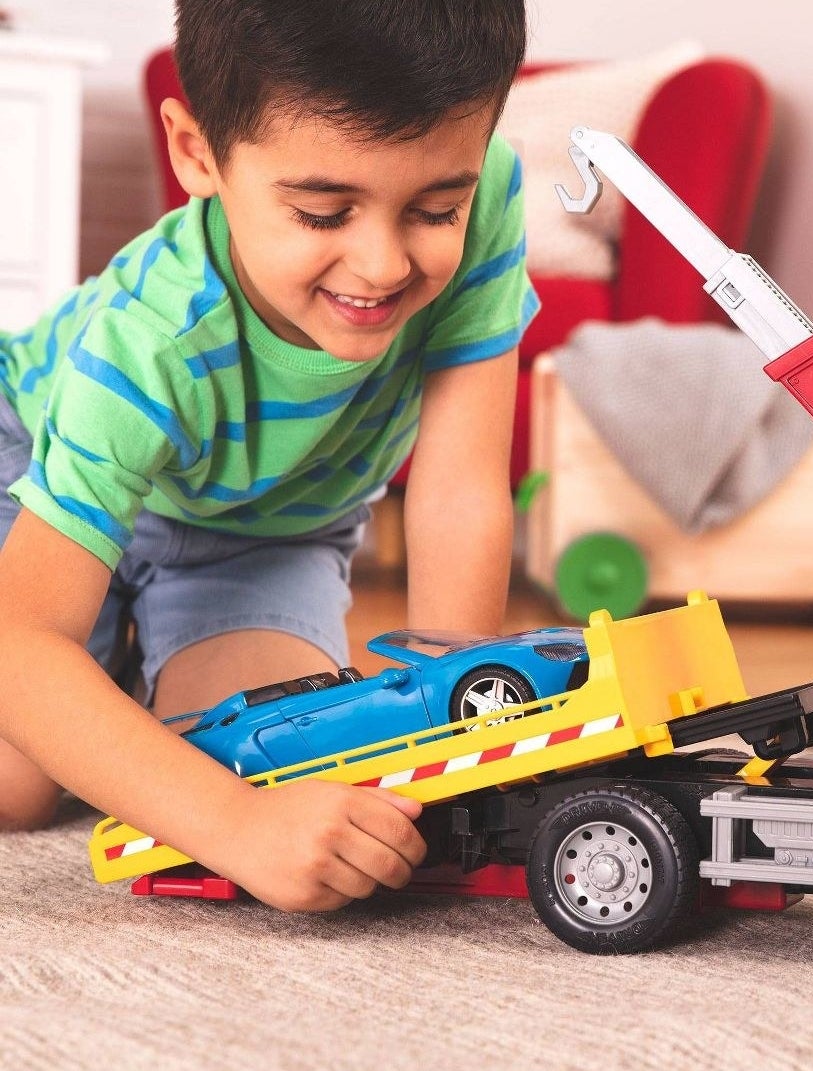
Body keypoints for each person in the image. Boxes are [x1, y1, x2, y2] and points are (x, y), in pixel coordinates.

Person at [0, 0, 535, 912]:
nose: (380, 264)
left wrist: (466, 760)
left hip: (258, 532)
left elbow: (456, 492)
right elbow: (18, 644)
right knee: (18, 787)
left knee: (281, 757)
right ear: (197, 151)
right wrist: (238, 830)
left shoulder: (489, 198)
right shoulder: (150, 341)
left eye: (435, 208)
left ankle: (126, 685)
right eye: (325, 212)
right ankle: (111, 682)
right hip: (27, 467)